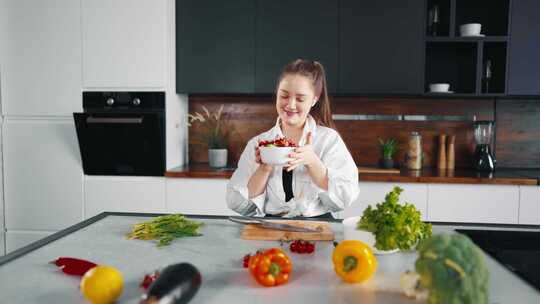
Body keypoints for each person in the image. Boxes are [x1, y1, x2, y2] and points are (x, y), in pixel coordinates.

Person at [226, 59, 359, 218]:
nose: (291, 105)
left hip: (317, 228)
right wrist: (264, 168)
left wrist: (313, 162)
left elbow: (345, 199)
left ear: (314, 100)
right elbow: (238, 205)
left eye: (300, 99)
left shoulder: (329, 140)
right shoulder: (258, 143)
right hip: (270, 228)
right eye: (284, 96)